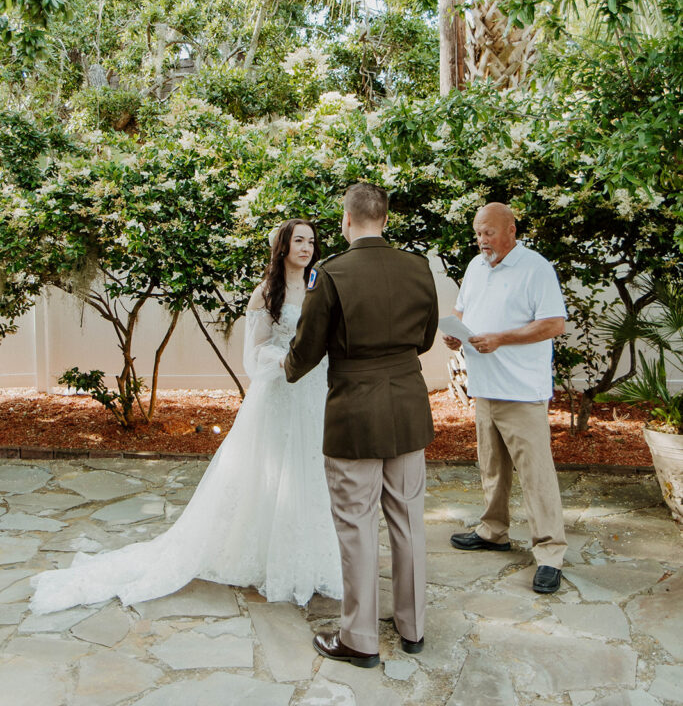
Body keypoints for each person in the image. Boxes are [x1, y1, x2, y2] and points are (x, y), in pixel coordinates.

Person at [30, 219, 341, 614]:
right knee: (273, 472)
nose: (307, 247)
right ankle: (267, 556)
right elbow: (255, 352)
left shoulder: (319, 286)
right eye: (299, 240)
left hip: (313, 393)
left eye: (311, 241)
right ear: (283, 247)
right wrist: (286, 361)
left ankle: (309, 557)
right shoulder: (265, 293)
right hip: (280, 391)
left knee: (310, 472)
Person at [284, 183, 439, 668]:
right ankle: (412, 628)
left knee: (356, 524)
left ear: (346, 221)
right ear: (385, 220)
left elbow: (306, 351)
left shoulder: (331, 273)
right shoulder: (418, 267)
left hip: (355, 413)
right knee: (409, 520)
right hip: (409, 407)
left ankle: (360, 639)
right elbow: (427, 337)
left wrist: (287, 368)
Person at [443, 202, 567, 594]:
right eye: (478, 233)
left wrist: (502, 338)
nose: (482, 241)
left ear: (511, 230)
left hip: (521, 391)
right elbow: (463, 312)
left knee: (536, 475)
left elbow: (554, 324)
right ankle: (493, 530)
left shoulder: (536, 267)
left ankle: (550, 553)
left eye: (489, 233)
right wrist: (453, 333)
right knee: (492, 468)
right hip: (484, 387)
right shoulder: (476, 267)